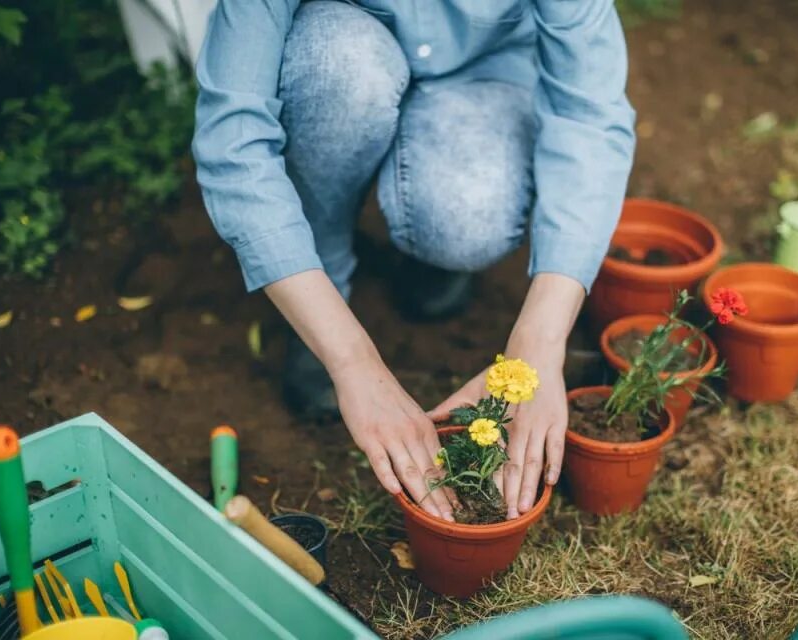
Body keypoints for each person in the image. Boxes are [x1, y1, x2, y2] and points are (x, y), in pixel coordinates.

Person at [192, 0, 636, 522]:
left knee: (467, 217)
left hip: (482, 74)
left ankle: (433, 244)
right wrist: (350, 359)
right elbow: (234, 146)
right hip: (346, 57)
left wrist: (540, 343)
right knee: (340, 65)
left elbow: (590, 117)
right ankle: (322, 283)